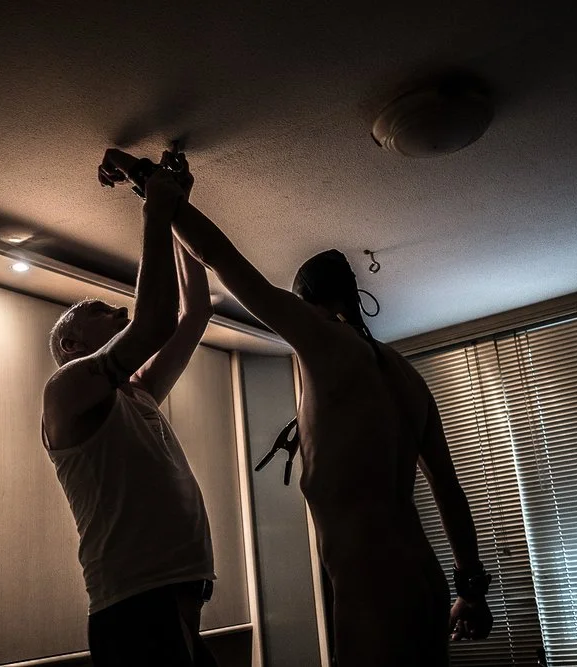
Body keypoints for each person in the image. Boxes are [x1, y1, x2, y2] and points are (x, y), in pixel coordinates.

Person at [139, 149, 494, 667]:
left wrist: (158, 191)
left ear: (307, 305)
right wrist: (473, 588)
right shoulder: (408, 377)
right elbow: (448, 487)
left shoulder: (323, 336)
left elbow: (229, 265)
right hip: (425, 581)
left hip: (373, 588)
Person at [41, 151, 218, 666]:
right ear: (71, 345)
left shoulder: (135, 392)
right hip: (135, 608)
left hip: (174, 605)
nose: (115, 307)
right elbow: (155, 321)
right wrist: (154, 206)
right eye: (97, 310)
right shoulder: (64, 390)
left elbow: (194, 313)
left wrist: (173, 205)